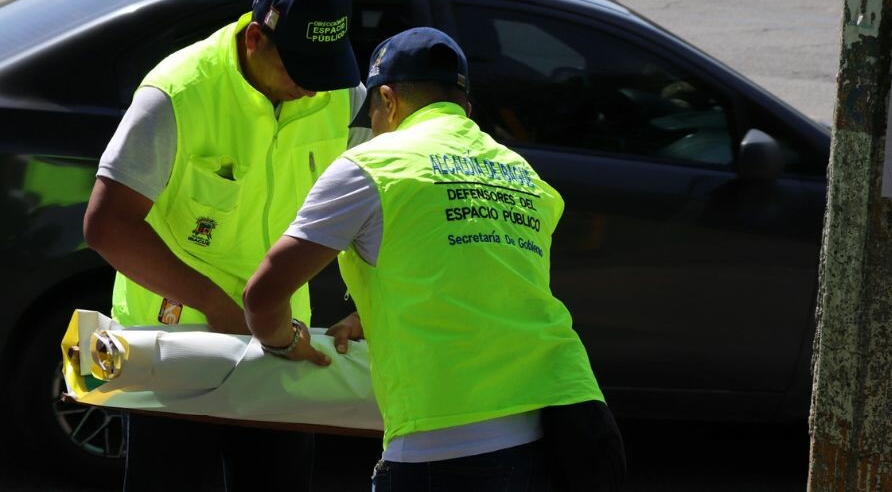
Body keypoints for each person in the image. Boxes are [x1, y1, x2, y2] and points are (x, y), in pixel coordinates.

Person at [242, 28, 623, 491]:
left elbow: (263, 294)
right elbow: (486, 280)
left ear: (387, 99)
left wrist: (288, 343)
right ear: (465, 106)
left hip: (444, 451)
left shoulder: (373, 166)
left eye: (375, 112)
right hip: (560, 428)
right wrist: (373, 314)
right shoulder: (520, 172)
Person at [83, 0, 367, 492]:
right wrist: (218, 308)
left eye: (325, 69)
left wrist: (367, 306)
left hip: (279, 344)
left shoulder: (342, 94)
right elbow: (107, 226)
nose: (311, 88)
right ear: (255, 38)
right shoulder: (180, 91)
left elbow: (372, 208)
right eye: (299, 68)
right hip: (173, 346)